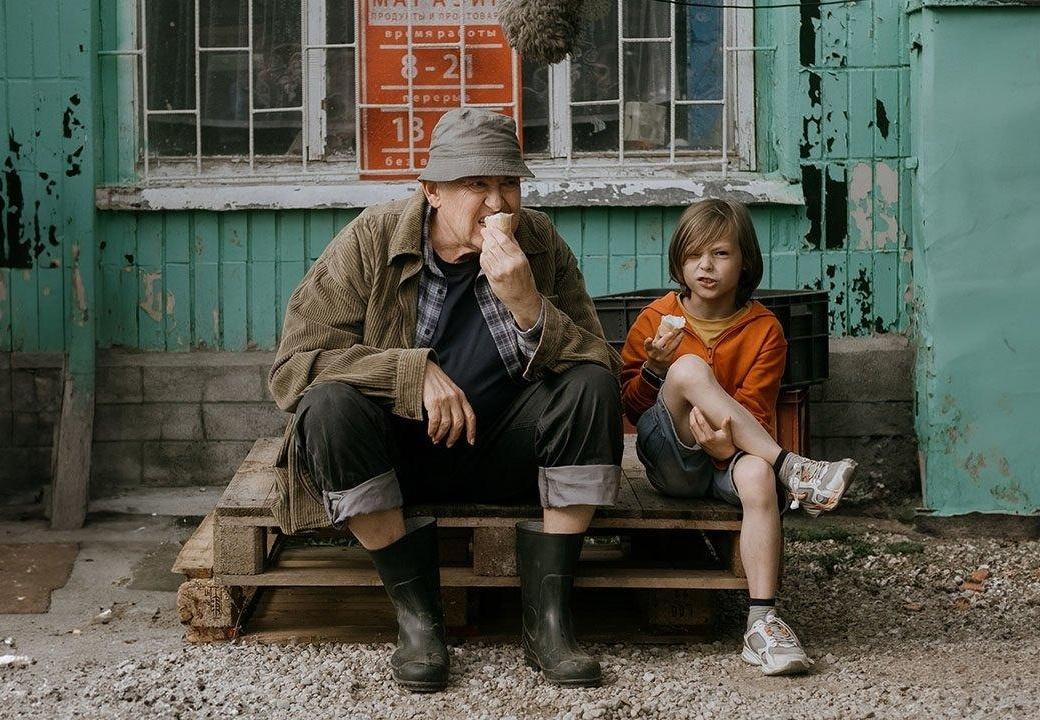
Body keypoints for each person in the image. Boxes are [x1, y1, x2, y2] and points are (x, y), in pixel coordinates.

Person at [268, 108, 623, 691]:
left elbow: (599, 359)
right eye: (475, 184)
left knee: (591, 385)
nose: (497, 203)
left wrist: (527, 303)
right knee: (327, 405)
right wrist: (412, 372)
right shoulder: (372, 238)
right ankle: (418, 622)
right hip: (399, 461)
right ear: (432, 191)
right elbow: (294, 368)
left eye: (508, 183)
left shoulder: (537, 241)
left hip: (512, 455)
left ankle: (550, 625)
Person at [619, 199, 857, 676]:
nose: (705, 266)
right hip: (672, 460)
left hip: (731, 456)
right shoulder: (655, 317)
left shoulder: (764, 329)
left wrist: (726, 449)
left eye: (721, 253)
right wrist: (655, 370)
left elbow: (755, 411)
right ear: (679, 261)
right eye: (693, 255)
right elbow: (631, 409)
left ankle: (761, 623)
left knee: (757, 476)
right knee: (688, 368)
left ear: (745, 260)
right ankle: (794, 468)